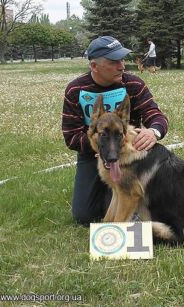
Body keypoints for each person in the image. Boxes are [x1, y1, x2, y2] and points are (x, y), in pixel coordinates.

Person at [62, 36, 168, 225]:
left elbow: (156, 115)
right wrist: (99, 147)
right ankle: (111, 193)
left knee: (124, 200)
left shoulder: (134, 84)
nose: (122, 66)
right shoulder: (75, 89)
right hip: (92, 154)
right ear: (94, 66)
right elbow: (71, 136)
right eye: (114, 62)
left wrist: (153, 132)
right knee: (84, 216)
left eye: (122, 60)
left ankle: (125, 195)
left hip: (128, 154)